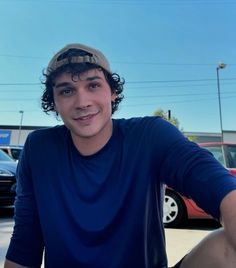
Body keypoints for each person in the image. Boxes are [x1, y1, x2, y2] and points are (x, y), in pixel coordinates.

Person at [4, 43, 236, 268]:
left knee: (225, 248)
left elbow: (217, 185)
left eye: (93, 85)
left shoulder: (150, 135)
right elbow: (26, 242)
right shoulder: (39, 149)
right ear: (54, 102)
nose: (82, 102)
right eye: (66, 91)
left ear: (113, 92)